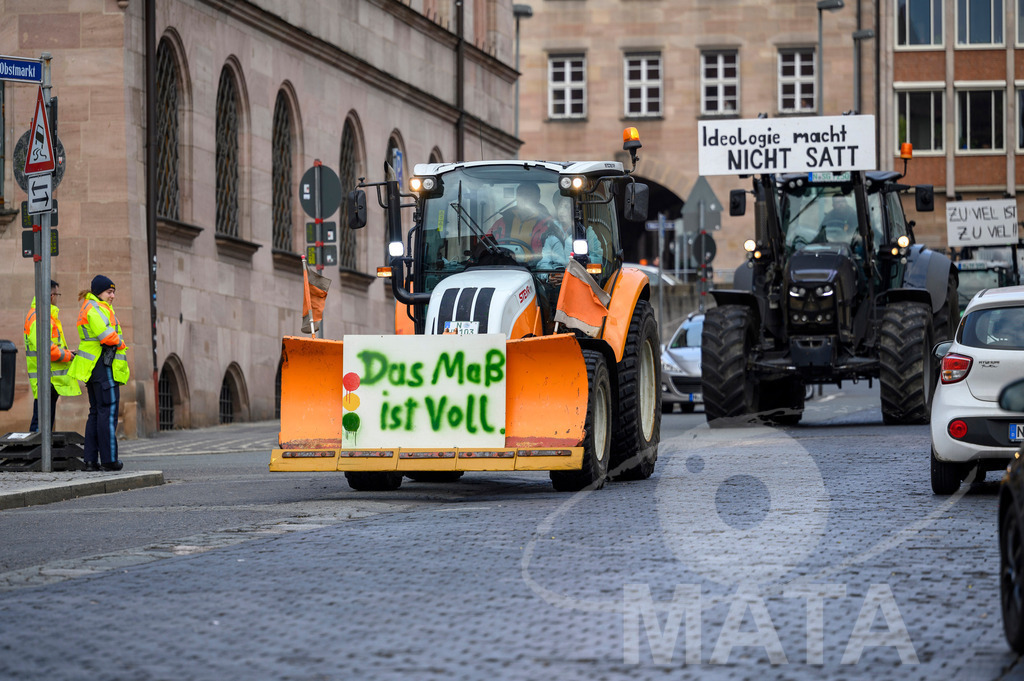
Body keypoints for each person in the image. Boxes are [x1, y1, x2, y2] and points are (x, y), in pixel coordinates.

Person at [69, 275, 130, 471]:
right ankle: (109, 460)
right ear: (99, 292)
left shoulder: (93, 306)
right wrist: (121, 343)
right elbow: (106, 336)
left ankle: (90, 460)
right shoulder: (94, 308)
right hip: (102, 367)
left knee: (96, 413)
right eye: (109, 292)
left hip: (94, 367)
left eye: (113, 292)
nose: (112, 296)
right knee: (108, 412)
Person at [24, 280, 80, 432]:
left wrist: (68, 353)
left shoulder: (43, 316)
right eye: (57, 294)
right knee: (41, 424)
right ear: (51, 295)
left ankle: (40, 453)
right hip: (46, 378)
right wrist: (68, 355)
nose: (57, 298)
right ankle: (39, 454)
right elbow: (47, 349)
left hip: (49, 378)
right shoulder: (39, 317)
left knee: (44, 423)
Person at [488, 182, 562, 251]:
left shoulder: (549, 225)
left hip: (537, 264)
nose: (524, 198)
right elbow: (486, 243)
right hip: (504, 263)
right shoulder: (502, 222)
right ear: (517, 197)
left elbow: (553, 253)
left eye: (529, 194)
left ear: (538, 198)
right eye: (521, 194)